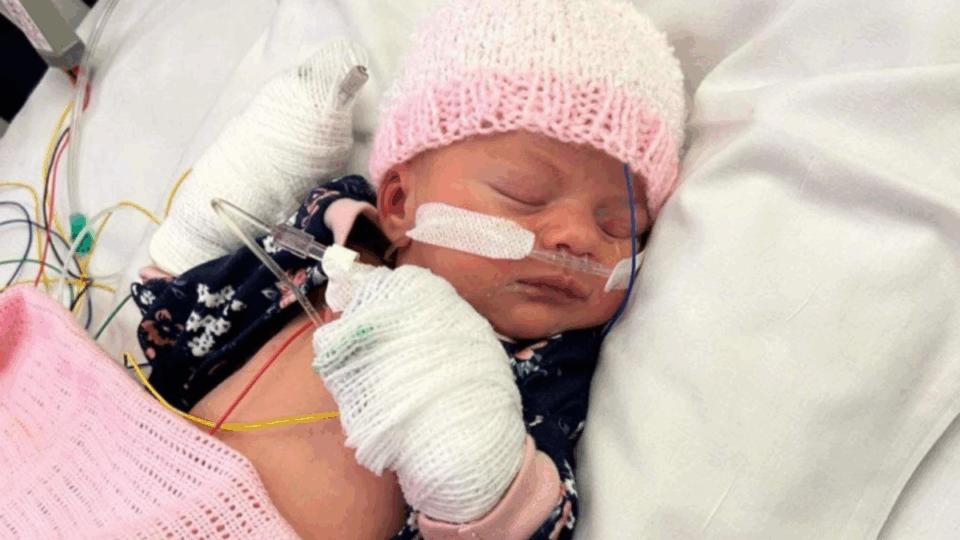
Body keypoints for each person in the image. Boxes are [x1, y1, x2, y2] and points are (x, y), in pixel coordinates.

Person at [134, 1, 686, 538]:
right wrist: (268, 154)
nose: (577, 238)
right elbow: (182, 304)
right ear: (399, 203)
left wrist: (466, 449)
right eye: (524, 193)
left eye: (618, 226)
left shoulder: (548, 365)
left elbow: (534, 521)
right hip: (125, 475)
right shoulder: (331, 230)